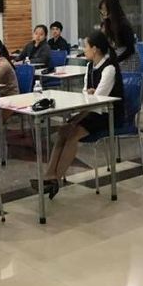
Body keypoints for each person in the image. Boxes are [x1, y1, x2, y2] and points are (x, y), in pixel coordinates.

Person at [35, 30, 124, 199]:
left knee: (72, 134)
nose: (84, 50)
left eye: (86, 46)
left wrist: (90, 97)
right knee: (63, 130)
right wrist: (89, 97)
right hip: (91, 111)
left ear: (95, 49)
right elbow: (85, 93)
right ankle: (49, 176)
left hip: (108, 114)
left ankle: (55, 179)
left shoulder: (109, 68)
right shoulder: (90, 66)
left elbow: (99, 98)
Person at [98, 0, 139, 72]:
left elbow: (131, 49)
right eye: (101, 9)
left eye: (104, 9)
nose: (102, 12)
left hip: (128, 59)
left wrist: (115, 61)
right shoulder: (108, 24)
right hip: (118, 58)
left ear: (112, 8)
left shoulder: (124, 24)